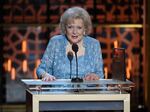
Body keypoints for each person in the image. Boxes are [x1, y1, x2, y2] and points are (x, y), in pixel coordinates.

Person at [36, 7, 104, 81]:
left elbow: (100, 75)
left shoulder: (94, 44)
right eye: (70, 27)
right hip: (59, 91)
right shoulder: (55, 42)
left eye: (79, 27)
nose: (74, 32)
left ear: (85, 29)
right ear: (65, 28)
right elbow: (40, 69)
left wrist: (95, 76)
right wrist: (46, 75)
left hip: (86, 91)